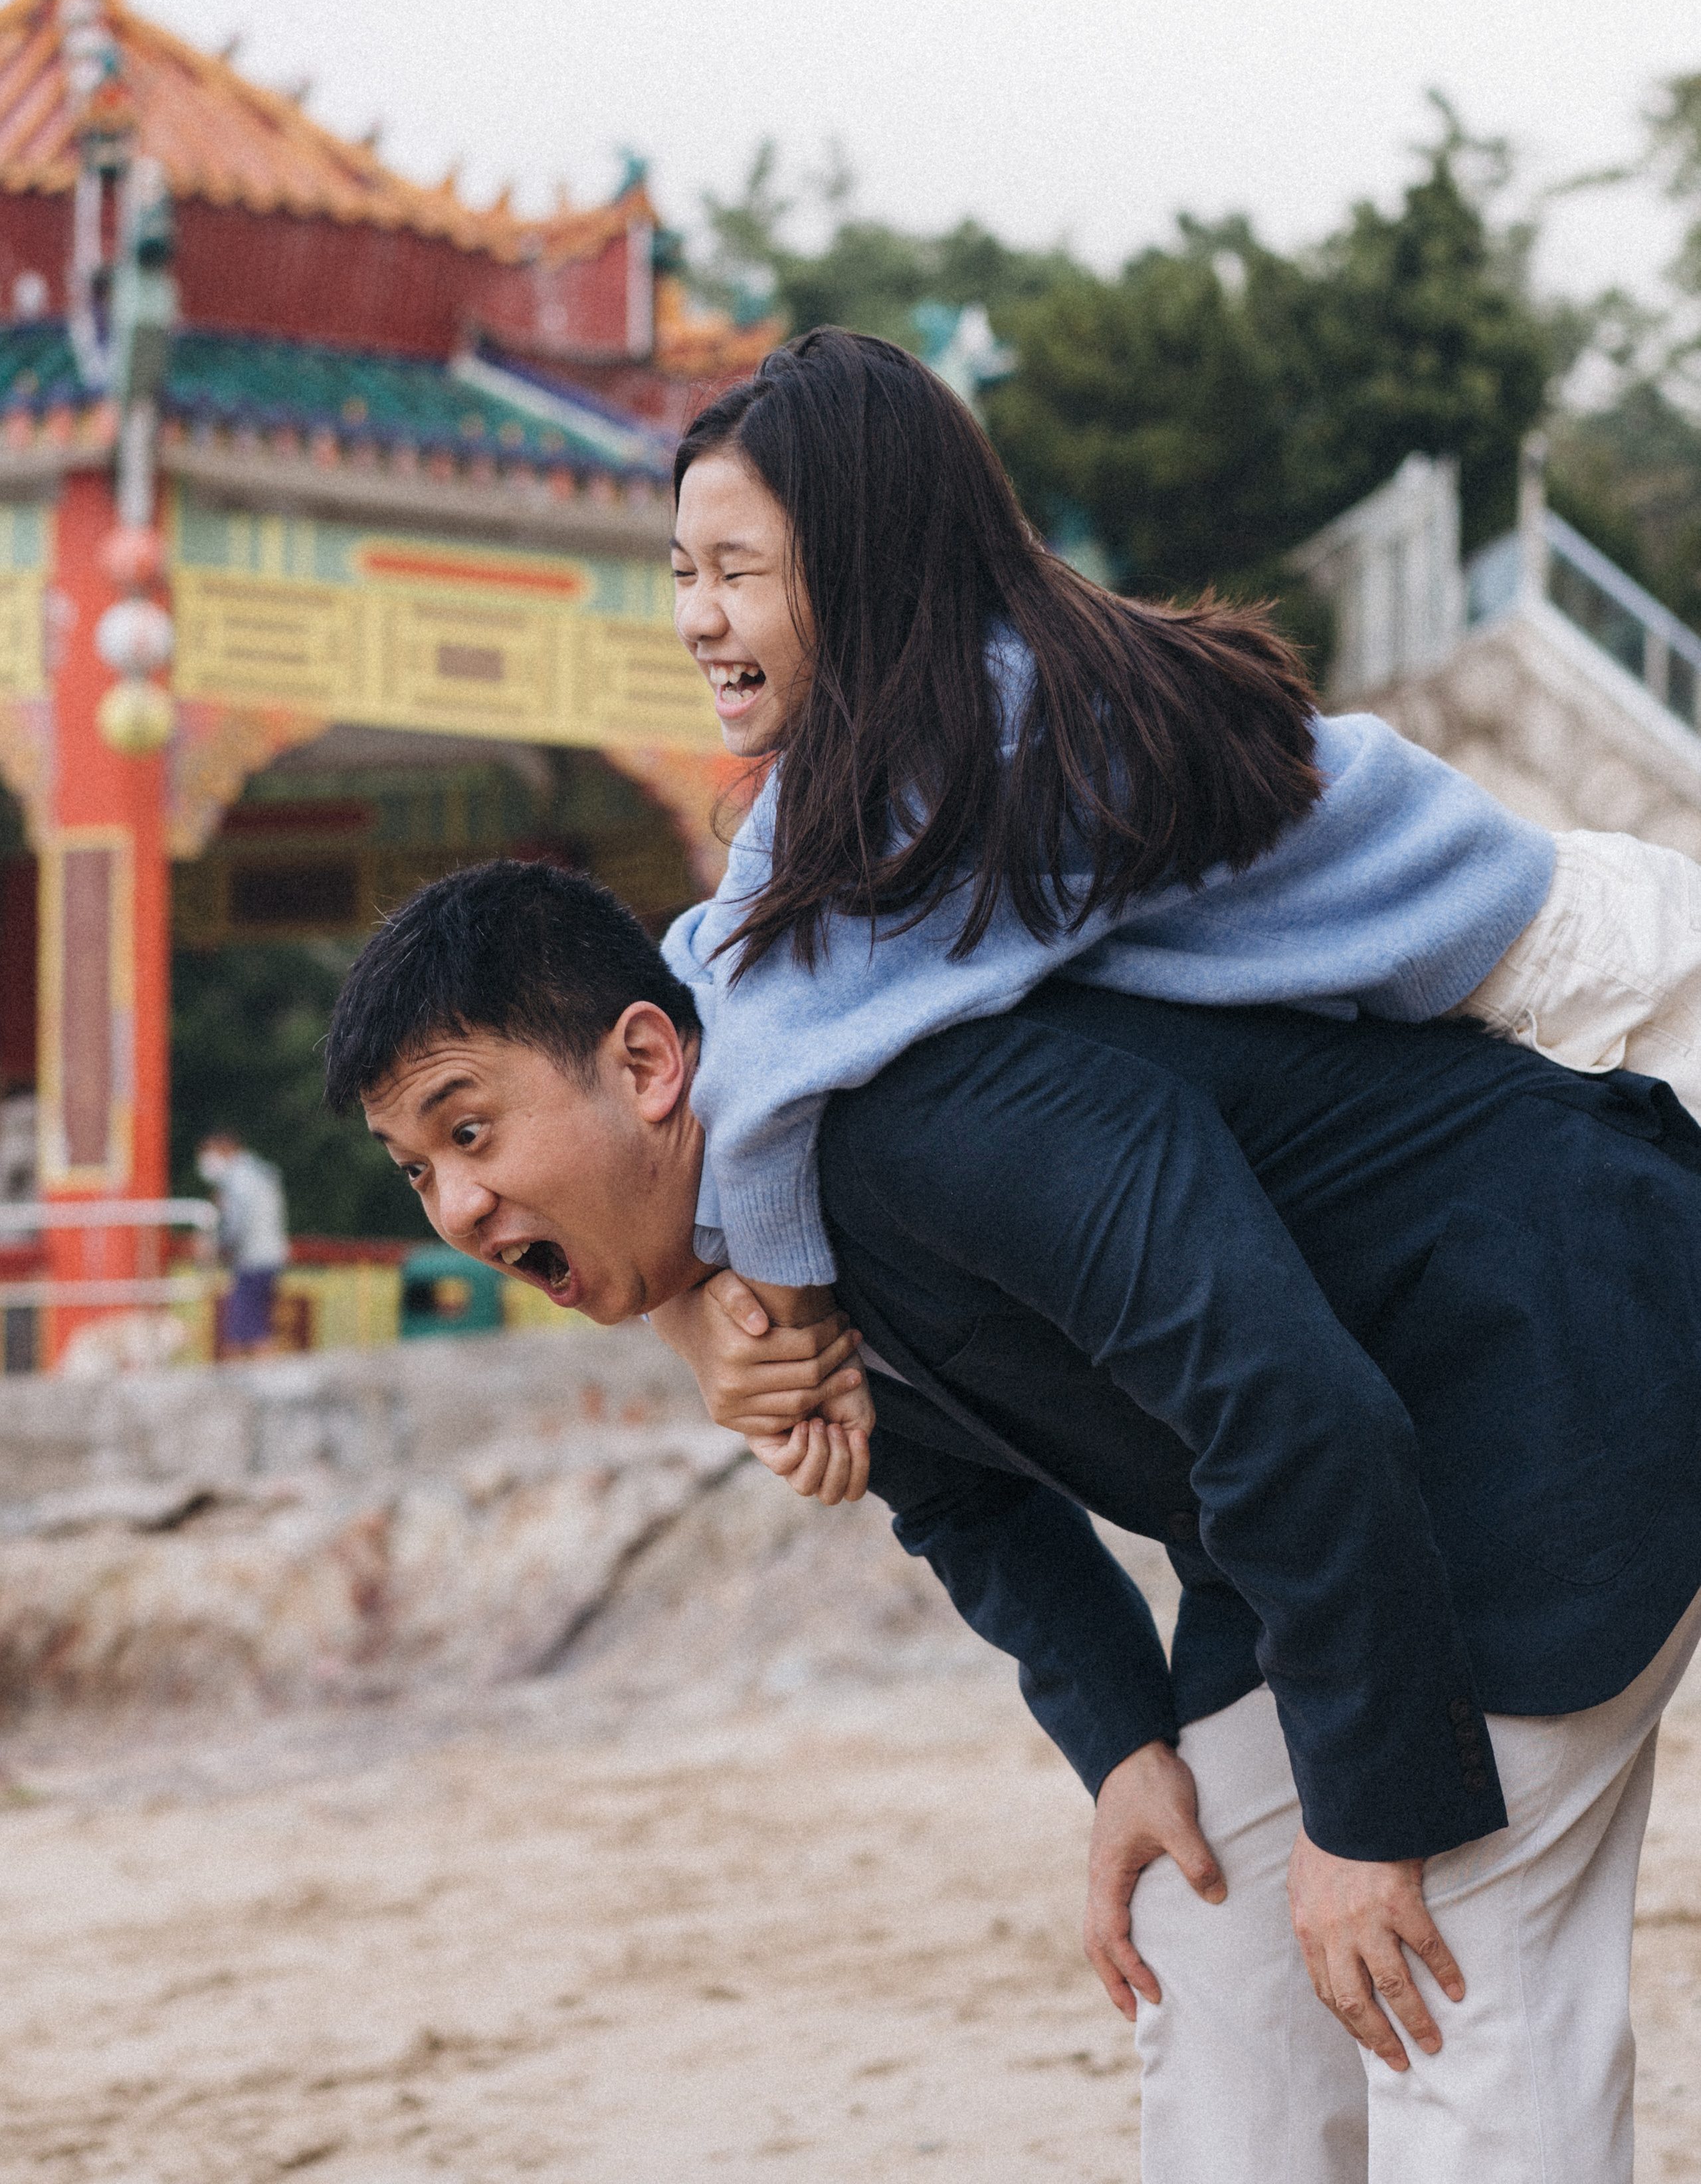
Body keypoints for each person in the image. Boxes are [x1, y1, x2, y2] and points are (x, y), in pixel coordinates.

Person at [323, 860, 1701, 2184]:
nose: (456, 1205)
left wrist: (1372, 1808)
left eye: (468, 1128)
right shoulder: (756, 1266)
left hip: (1547, 1361)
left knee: (1450, 1968)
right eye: (414, 1171)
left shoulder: (906, 1118)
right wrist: (1120, 1745)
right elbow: (962, 1500)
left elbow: (1285, 1402)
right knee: (1202, 1928)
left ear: (644, 1063)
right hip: (1302, 1506)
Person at [653, 328, 1701, 1490]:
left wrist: (764, 1324)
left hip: (1613, 982)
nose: (698, 617)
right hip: (1533, 1013)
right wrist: (697, 1306)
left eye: (737, 571)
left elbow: (762, 1061)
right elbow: (714, 963)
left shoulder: (985, 733)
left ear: (867, 566)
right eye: (683, 573)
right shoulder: (886, 741)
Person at [195, 1128, 289, 1353]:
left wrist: (219, 1246)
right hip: (269, 1256)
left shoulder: (239, 1177)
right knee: (256, 1329)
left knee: (246, 1337)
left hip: (253, 1260)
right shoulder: (259, 1171)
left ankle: (267, 1385)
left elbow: (238, 1221)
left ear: (224, 1149)